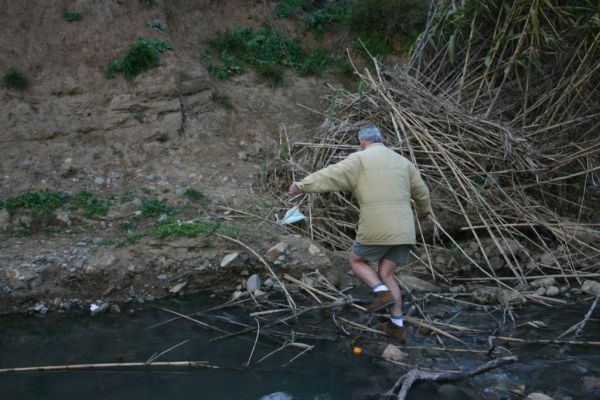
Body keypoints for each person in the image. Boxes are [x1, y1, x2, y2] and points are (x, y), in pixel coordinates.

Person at [289, 124, 431, 341]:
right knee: (387, 273)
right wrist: (423, 214)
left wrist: (303, 185)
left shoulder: (360, 159)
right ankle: (397, 326)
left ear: (362, 142)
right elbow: (422, 192)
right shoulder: (404, 162)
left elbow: (331, 174)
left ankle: (381, 292)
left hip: (377, 225)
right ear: (381, 139)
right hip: (405, 229)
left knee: (356, 261)